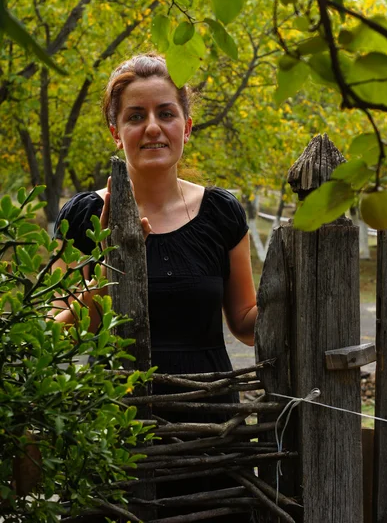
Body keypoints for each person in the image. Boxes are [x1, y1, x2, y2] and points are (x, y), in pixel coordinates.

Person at [52, 53, 258, 521]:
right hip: (115, 423)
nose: (152, 128)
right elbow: (61, 334)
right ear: (114, 131)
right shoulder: (84, 217)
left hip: (208, 424)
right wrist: (107, 271)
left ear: (187, 127)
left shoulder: (222, 214)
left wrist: (298, 302)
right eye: (135, 116)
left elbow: (245, 323)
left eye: (166, 113)